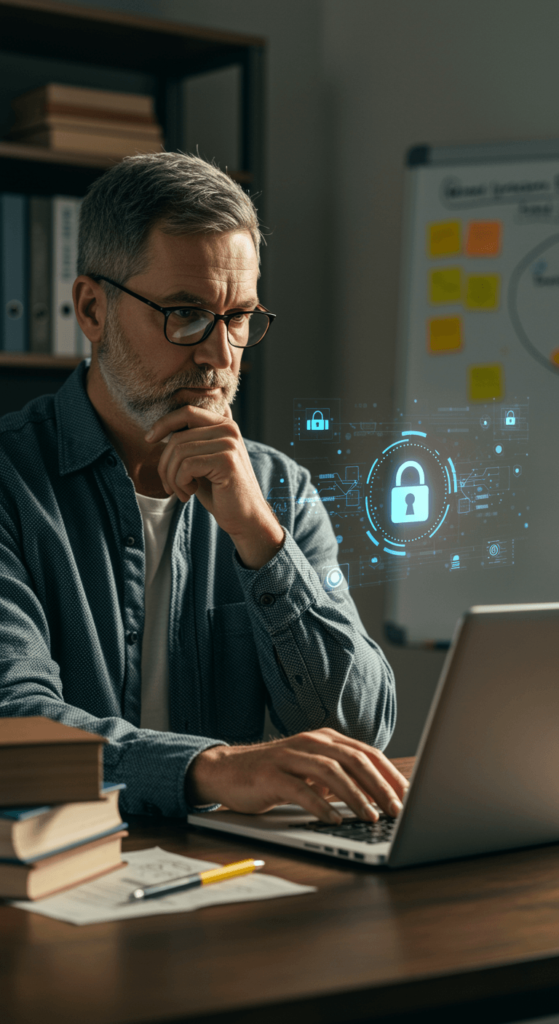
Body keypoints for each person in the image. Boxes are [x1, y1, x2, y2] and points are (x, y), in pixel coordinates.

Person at [0, 153, 406, 823]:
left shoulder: (279, 488)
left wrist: (260, 538)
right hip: (59, 869)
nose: (219, 355)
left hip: (228, 867)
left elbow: (359, 729)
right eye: (184, 313)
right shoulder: (12, 483)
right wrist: (211, 768)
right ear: (93, 309)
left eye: (238, 317)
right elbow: (14, 723)